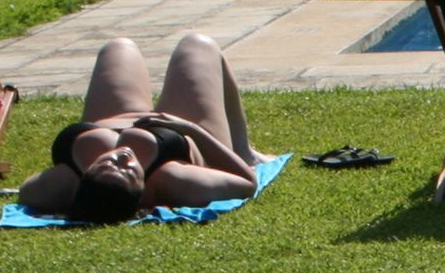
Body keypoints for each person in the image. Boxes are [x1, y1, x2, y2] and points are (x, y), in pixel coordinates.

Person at [15, 34, 262, 223]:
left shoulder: (59, 185)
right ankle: (244, 149)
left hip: (115, 115)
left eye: (107, 164)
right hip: (181, 130)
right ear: (144, 192)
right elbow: (247, 184)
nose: (122, 157)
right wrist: (189, 129)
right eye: (129, 172)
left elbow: (26, 195)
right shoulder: (173, 180)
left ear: (86, 176)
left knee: (118, 46)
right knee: (198, 44)